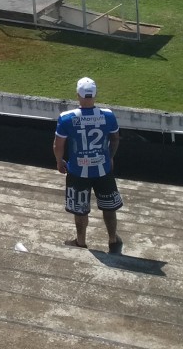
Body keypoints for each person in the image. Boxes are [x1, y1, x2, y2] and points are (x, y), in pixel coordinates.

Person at [53, 77, 123, 253]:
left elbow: (58, 145)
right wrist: (111, 156)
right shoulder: (108, 115)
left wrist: (59, 161)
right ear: (95, 94)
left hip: (77, 172)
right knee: (109, 207)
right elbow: (115, 139)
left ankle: (81, 241)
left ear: (78, 94)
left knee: (80, 210)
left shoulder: (66, 118)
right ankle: (113, 239)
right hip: (103, 170)